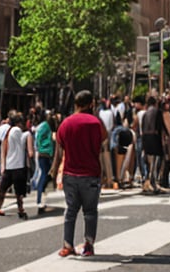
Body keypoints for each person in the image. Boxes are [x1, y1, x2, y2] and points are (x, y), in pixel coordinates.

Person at [55, 90, 105, 258]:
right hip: (91, 173)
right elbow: (103, 141)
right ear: (91, 104)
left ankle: (67, 245)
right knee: (90, 212)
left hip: (70, 173)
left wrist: (55, 172)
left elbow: (59, 149)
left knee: (70, 210)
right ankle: (89, 245)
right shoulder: (95, 123)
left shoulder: (65, 123)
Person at [33, 110, 56, 213]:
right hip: (44, 153)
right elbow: (38, 139)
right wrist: (43, 148)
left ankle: (41, 196)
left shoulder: (44, 126)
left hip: (45, 153)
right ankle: (39, 199)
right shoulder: (44, 126)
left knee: (46, 175)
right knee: (44, 175)